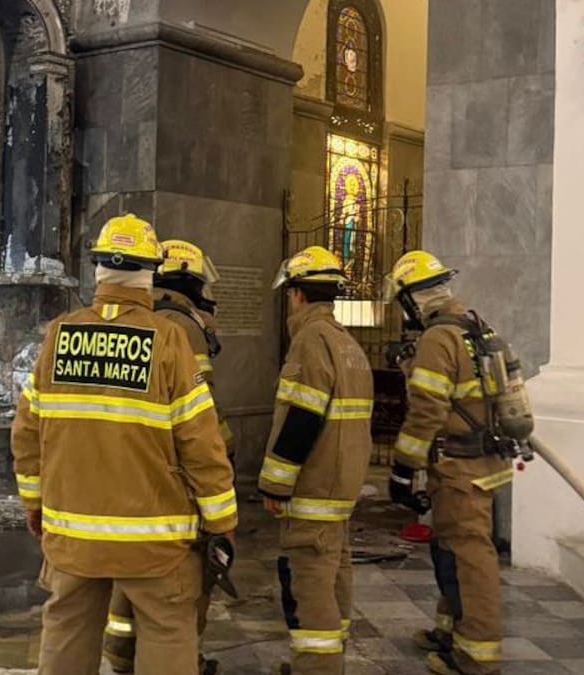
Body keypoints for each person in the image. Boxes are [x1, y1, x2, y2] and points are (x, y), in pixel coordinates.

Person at [11, 214, 238, 675]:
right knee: (167, 630)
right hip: (155, 540)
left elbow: (27, 433)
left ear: (98, 270)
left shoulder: (60, 336)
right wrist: (222, 521)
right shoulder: (170, 341)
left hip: (73, 532)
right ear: (149, 274)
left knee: (67, 629)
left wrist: (35, 504)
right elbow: (202, 443)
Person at [380, 251, 513, 675]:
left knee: (471, 557)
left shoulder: (440, 337)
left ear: (412, 300)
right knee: (450, 548)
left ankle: (476, 656)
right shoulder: (476, 326)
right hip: (482, 461)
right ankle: (450, 630)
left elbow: (427, 412)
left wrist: (403, 467)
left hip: (460, 468)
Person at [103, 238, 232, 675]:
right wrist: (219, 481)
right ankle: (183, 661)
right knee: (183, 587)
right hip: (172, 481)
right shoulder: (184, 329)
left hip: (125, 475)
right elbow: (202, 418)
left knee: (127, 574)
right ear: (191, 281)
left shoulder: (141, 319)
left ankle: (121, 656)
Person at [258, 246, 373, 675]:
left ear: (298, 294)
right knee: (335, 574)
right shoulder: (348, 344)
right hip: (339, 490)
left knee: (308, 584)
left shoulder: (309, 341)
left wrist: (274, 483)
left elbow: (302, 417)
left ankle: (317, 669)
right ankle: (329, 662)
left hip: (312, 490)